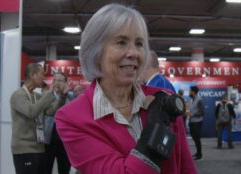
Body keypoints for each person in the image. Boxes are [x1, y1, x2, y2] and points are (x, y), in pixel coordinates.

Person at [55, 4, 197, 174]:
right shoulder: (72, 117)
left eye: (139, 44)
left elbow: (186, 167)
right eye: (121, 42)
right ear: (96, 51)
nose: (134, 53)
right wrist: (156, 128)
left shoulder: (163, 98)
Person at [10, 63, 68, 174]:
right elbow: (32, 112)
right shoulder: (18, 95)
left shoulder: (37, 96)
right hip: (24, 150)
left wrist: (62, 96)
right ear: (32, 75)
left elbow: (51, 111)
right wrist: (50, 92)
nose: (44, 78)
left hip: (39, 149)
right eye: (41, 74)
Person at [45, 72, 72, 174]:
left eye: (60, 80)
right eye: (55, 80)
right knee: (46, 168)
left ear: (66, 83)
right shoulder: (47, 96)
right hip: (49, 138)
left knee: (64, 168)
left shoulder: (71, 98)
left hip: (65, 140)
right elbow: (51, 112)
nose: (57, 83)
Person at [188, 86, 204, 160]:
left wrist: (193, 114)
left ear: (193, 91)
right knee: (194, 138)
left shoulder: (199, 100)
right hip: (192, 121)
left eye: (190, 91)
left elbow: (202, 112)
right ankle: (198, 152)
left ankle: (199, 154)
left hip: (197, 122)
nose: (189, 92)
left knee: (197, 138)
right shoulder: (192, 99)